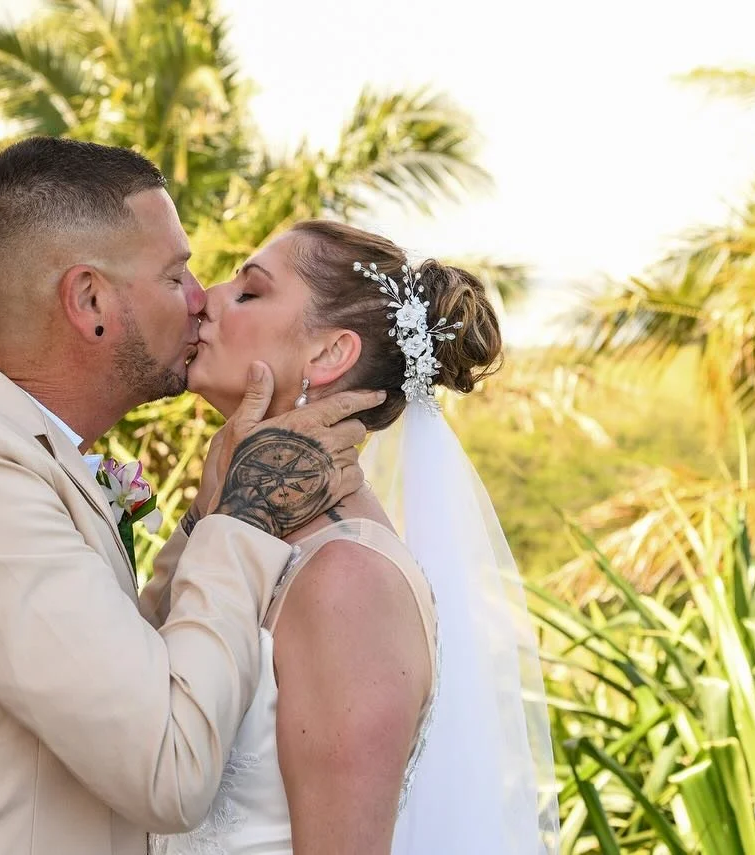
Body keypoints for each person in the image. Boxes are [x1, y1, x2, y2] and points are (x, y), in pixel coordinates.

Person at [0, 139, 385, 854]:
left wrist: (207, 519)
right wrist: (245, 516)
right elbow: (167, 768)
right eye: (175, 276)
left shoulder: (5, 448)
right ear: (89, 300)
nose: (201, 298)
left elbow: (108, 673)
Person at [145, 220, 560, 855]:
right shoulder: (242, 531)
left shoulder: (347, 581)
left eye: (249, 291)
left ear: (328, 355)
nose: (207, 298)